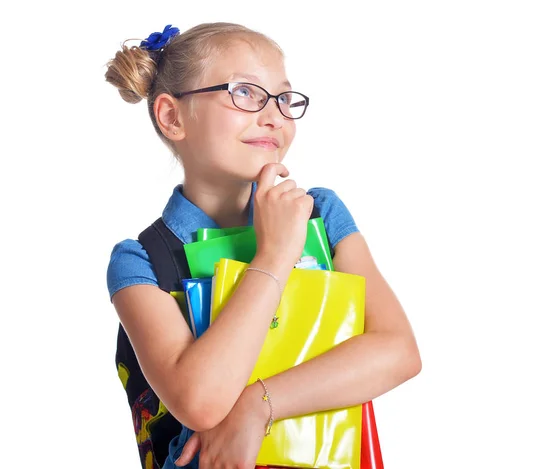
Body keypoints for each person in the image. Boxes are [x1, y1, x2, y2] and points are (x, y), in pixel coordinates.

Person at [105, 22, 421, 469]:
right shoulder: (143, 262)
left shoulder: (319, 214)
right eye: (245, 93)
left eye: (284, 98)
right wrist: (274, 255)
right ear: (172, 116)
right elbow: (200, 401)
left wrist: (260, 405)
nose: (274, 115)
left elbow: (398, 350)